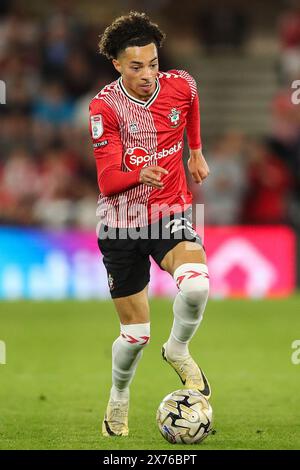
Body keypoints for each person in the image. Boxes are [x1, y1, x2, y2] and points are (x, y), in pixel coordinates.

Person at [89, 11, 210, 437]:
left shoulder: (181, 85)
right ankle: (118, 399)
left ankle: (177, 349)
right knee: (135, 335)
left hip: (170, 211)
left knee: (196, 285)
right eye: (137, 66)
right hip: (122, 225)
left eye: (153, 63)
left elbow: (192, 105)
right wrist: (138, 173)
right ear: (118, 65)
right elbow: (106, 180)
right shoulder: (105, 106)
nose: (148, 74)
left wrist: (194, 151)